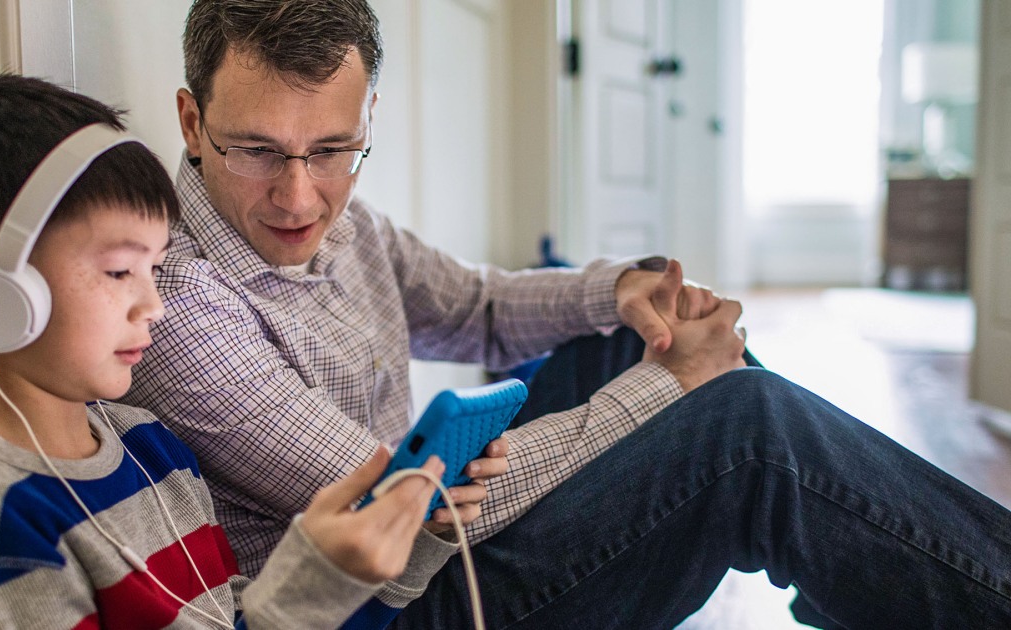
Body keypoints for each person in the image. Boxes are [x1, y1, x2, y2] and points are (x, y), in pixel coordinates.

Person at [123, 0, 1011, 627]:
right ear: (192, 122)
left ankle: (868, 573)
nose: (300, 194)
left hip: (441, 543)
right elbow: (413, 502)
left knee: (628, 338)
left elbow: (474, 308)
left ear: (366, 121)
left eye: (333, 150)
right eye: (256, 152)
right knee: (742, 423)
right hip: (396, 605)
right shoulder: (175, 299)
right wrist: (673, 386)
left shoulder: (348, 223)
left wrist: (619, 289)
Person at [0, 73, 508, 629]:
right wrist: (300, 591)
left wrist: (416, 538)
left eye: (155, 268)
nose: (154, 306)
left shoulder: (150, 449)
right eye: (121, 271)